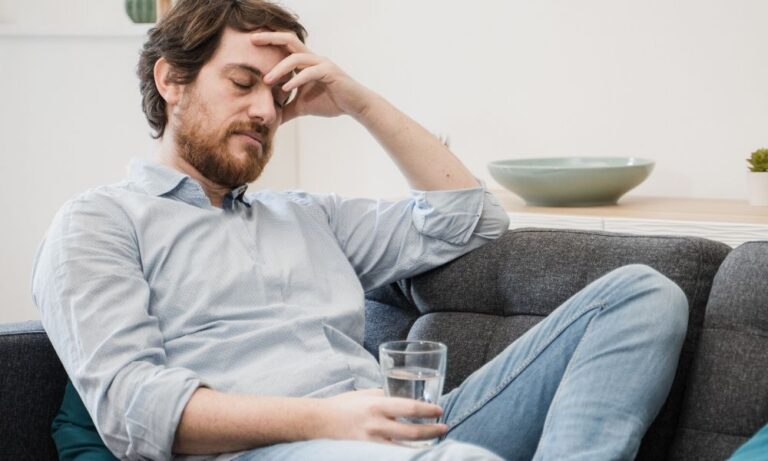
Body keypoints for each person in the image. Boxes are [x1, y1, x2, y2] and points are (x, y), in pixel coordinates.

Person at [31, 1, 689, 460]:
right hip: (267, 449)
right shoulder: (99, 223)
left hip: (396, 430)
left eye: (278, 95)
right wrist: (330, 418)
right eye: (242, 83)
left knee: (641, 294)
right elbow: (132, 410)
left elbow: (469, 216)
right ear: (171, 80)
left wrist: (356, 100)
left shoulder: (308, 216)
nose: (265, 111)